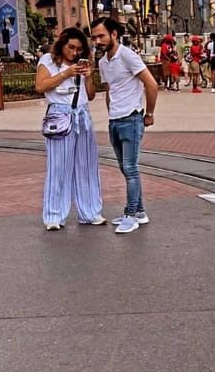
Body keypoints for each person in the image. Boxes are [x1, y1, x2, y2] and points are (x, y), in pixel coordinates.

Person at [91, 17, 159, 235]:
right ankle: (139, 211)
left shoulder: (128, 56)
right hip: (115, 120)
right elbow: (110, 89)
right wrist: (111, 113)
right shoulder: (103, 62)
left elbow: (151, 84)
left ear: (114, 34)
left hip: (131, 118)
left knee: (130, 168)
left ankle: (130, 215)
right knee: (125, 167)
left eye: (101, 36)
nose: (97, 41)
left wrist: (149, 114)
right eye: (94, 37)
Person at [35, 27, 105, 231]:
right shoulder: (48, 61)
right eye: (71, 48)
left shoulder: (82, 63)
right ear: (62, 45)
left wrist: (89, 77)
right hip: (60, 115)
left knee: (87, 165)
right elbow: (40, 86)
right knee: (59, 167)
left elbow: (90, 95)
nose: (74, 52)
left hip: (82, 114)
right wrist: (66, 73)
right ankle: (54, 215)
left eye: (79, 49)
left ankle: (90, 212)